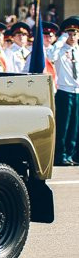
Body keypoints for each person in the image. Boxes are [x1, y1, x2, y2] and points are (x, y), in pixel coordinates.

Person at [48, 18, 79, 166]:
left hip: (77, 91)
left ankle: (70, 154)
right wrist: (61, 40)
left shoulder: (78, 50)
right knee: (63, 126)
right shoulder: (60, 50)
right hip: (64, 91)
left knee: (74, 126)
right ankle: (61, 155)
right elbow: (50, 56)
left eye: (75, 33)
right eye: (69, 33)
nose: (72, 37)